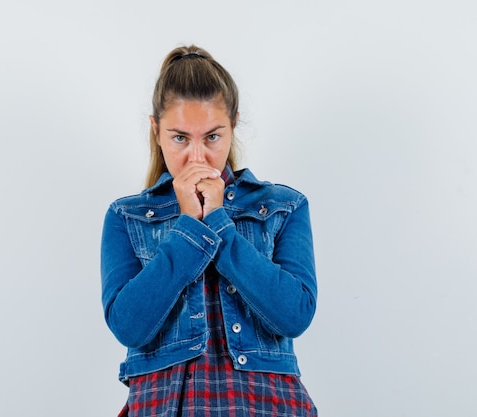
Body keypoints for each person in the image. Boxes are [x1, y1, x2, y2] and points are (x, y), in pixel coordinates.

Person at [100, 44, 318, 417]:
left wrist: (218, 221)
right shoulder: (126, 216)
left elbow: (294, 315)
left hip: (267, 406)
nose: (197, 158)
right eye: (180, 138)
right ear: (156, 131)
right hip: (166, 405)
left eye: (212, 137)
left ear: (233, 123)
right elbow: (129, 327)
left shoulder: (284, 206)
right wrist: (188, 227)